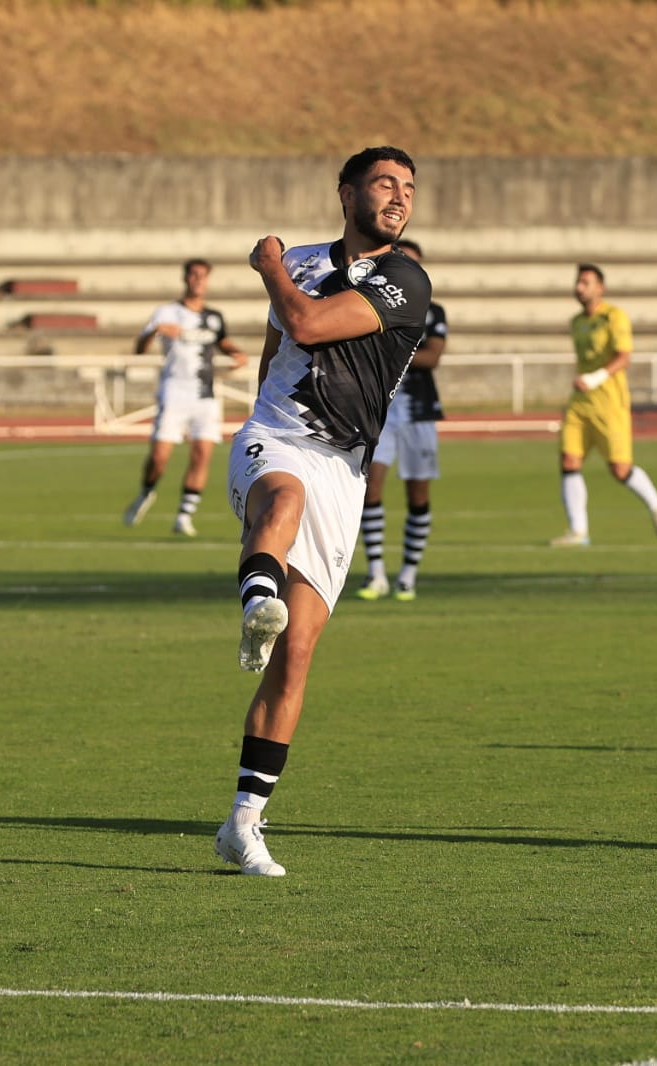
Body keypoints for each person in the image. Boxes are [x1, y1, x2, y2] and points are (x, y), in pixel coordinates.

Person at [215, 146, 431, 877]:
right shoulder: (303, 260)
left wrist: (268, 266)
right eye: (385, 183)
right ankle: (258, 599)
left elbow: (303, 324)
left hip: (343, 468)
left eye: (408, 188)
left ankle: (243, 822)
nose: (399, 197)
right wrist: (257, 432)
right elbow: (275, 351)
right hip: (276, 439)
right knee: (283, 498)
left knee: (298, 653)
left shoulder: (406, 279)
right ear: (346, 192)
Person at [121, 259, 248, 537]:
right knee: (159, 457)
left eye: (203, 276)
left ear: (208, 280)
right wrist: (155, 331)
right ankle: (147, 491)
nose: (198, 280)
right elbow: (139, 348)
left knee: (202, 454)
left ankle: (184, 516)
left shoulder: (214, 316)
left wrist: (237, 354)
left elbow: (222, 341)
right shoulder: (167, 312)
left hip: (205, 394)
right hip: (174, 391)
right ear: (186, 278)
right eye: (194, 275)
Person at [551, 263, 657, 547]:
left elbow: (624, 356)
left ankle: (656, 505)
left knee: (620, 469)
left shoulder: (614, 317)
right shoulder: (576, 322)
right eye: (578, 282)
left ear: (600, 288)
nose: (579, 287)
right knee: (569, 461)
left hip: (609, 404)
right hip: (580, 404)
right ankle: (578, 531)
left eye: (586, 282)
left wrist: (595, 378)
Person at [354, 238, 446, 602]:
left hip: (419, 410)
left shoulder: (433, 311)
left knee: (418, 494)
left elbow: (432, 357)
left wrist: (390, 351)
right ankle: (376, 572)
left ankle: (408, 574)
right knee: (371, 488)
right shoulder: (371, 305)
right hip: (380, 409)